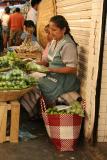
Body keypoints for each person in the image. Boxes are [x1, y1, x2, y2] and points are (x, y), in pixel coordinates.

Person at [20, 15, 80, 118]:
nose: (51, 33)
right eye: (50, 30)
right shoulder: (54, 41)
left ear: (63, 29)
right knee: (29, 79)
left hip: (63, 82)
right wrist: (32, 65)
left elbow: (72, 69)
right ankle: (34, 111)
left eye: (54, 30)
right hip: (52, 77)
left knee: (33, 83)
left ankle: (33, 113)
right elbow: (46, 61)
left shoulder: (68, 45)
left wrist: (51, 69)